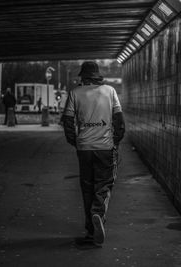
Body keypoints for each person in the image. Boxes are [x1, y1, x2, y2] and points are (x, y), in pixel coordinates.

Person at [61, 61, 125, 247]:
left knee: (87, 188)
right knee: (104, 184)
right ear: (98, 76)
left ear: (83, 76)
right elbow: (119, 122)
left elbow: (67, 121)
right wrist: (115, 142)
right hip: (104, 147)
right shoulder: (110, 91)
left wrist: (76, 141)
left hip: (84, 149)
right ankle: (98, 212)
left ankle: (91, 232)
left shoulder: (75, 93)